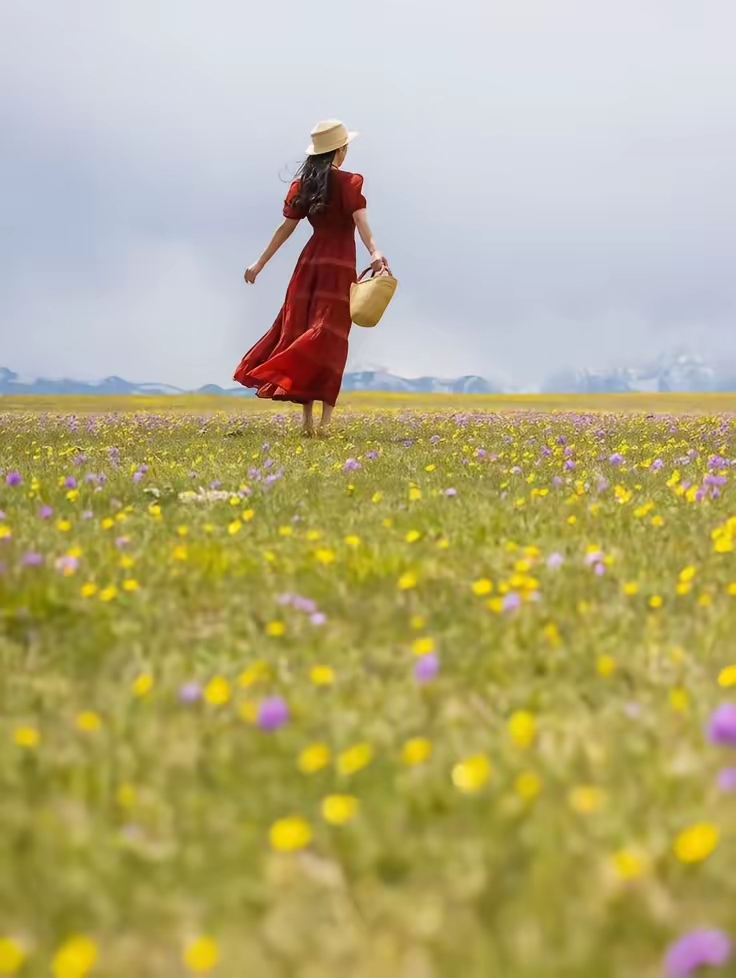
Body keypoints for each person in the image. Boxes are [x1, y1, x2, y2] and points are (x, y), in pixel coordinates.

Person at [234, 119, 388, 436]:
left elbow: (285, 230)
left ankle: (307, 423)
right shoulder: (350, 183)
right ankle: (324, 425)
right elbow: (362, 224)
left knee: (306, 331)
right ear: (340, 150)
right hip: (338, 267)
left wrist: (259, 263)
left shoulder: (304, 186)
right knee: (331, 340)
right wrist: (374, 252)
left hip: (310, 266)